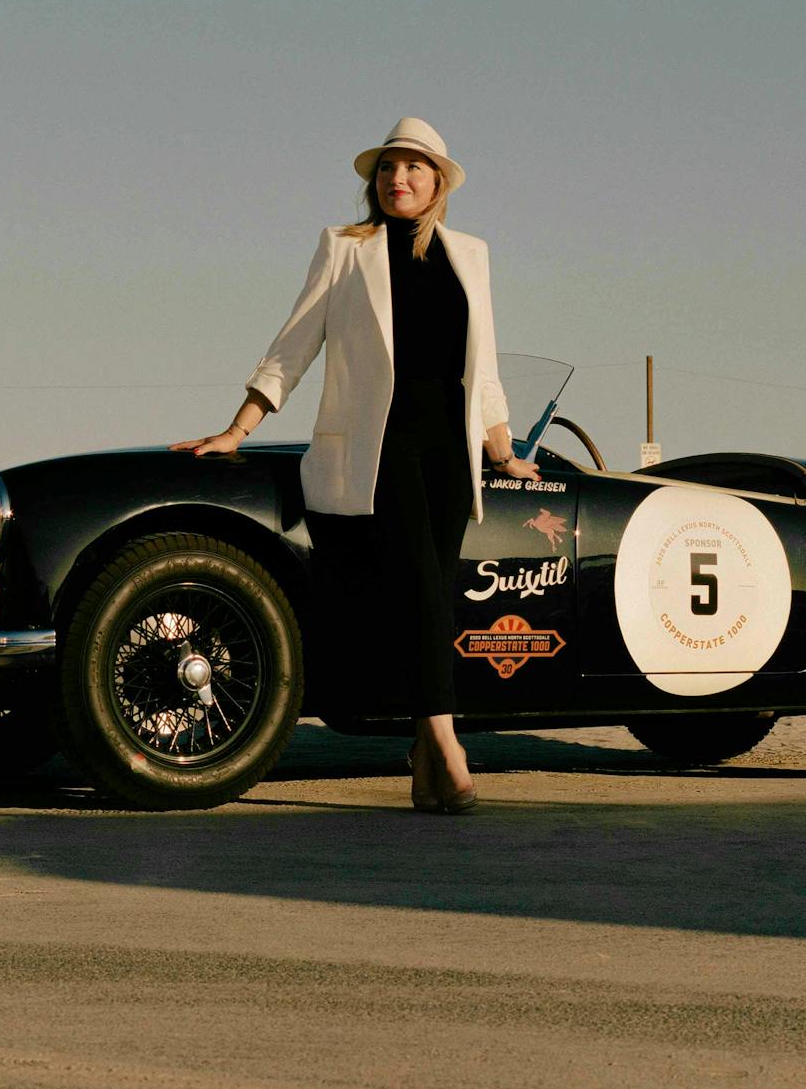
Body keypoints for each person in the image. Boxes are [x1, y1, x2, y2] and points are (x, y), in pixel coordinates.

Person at [171, 117, 537, 813]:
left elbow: (483, 366)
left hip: (448, 452)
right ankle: (449, 748)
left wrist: (503, 449)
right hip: (380, 449)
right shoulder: (345, 249)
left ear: (437, 183)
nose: (397, 178)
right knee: (425, 593)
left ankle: (424, 767)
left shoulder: (472, 255)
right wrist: (238, 427)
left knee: (430, 600)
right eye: (387, 168)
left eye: (413, 168)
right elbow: (295, 343)